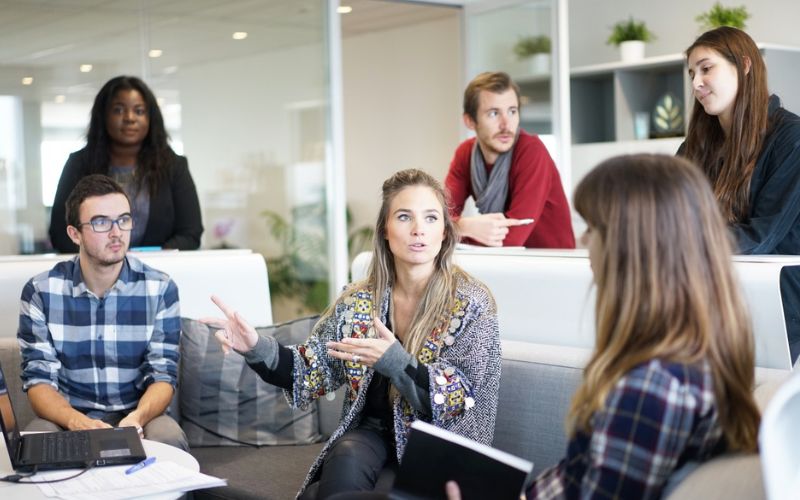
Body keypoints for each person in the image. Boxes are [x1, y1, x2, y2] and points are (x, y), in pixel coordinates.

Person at [450, 154, 760, 499]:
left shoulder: (651, 389)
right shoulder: (695, 355)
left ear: (630, 247)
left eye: (593, 228)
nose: (584, 241)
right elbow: (579, 475)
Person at [205, 169, 501, 498]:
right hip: (371, 435)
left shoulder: (472, 304)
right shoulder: (359, 299)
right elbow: (312, 369)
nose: (418, 229)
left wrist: (394, 361)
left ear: (444, 232)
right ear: (385, 231)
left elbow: (459, 397)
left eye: (431, 218)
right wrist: (255, 346)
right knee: (344, 458)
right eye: (404, 217)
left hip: (438, 445)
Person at [19, 174, 187, 450]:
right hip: (68, 417)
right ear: (75, 234)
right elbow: (38, 382)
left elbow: (163, 375)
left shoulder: (160, 289)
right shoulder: (41, 292)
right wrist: (77, 422)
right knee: (36, 439)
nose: (116, 232)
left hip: (139, 415)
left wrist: (137, 418)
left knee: (168, 438)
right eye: (100, 222)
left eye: (123, 219)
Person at [678, 26, 800, 363]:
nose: (696, 83)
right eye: (692, 73)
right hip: (710, 299)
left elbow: (761, 236)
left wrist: (681, 240)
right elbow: (667, 213)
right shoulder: (695, 146)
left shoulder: (791, 138)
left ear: (744, 65)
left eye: (706, 68)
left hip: (777, 307)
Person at [49, 75, 203, 253]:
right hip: (95, 275)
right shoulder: (79, 165)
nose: (130, 118)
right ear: (103, 116)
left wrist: (147, 262)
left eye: (139, 111)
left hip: (158, 273)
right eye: (118, 110)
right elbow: (60, 234)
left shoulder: (174, 166)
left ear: (151, 118)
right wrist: (106, 259)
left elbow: (190, 234)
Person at [444, 71, 574, 248]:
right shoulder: (465, 153)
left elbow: (511, 239)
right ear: (470, 121)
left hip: (550, 265)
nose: (506, 124)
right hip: (503, 264)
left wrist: (456, 229)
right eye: (493, 113)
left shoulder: (531, 151)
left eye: (512, 111)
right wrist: (464, 226)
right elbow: (438, 221)